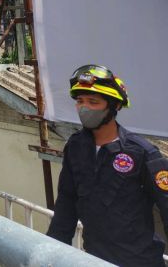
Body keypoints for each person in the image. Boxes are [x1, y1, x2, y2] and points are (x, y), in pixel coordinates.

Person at [47, 65, 168, 266]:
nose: (84, 107)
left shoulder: (142, 153)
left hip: (140, 261)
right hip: (94, 259)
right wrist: (52, 252)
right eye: (80, 101)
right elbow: (66, 204)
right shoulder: (75, 147)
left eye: (93, 101)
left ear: (115, 106)